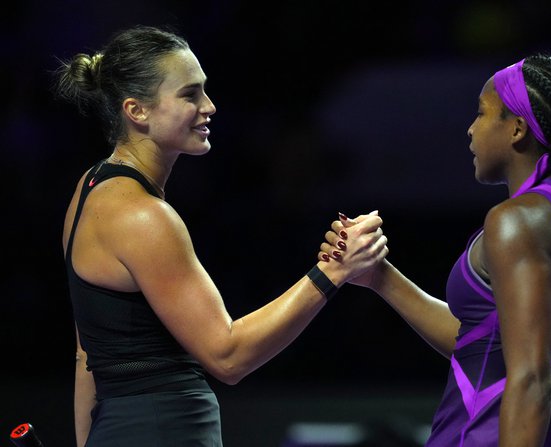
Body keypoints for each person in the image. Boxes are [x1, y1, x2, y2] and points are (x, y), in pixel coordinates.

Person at [54, 25, 389, 447]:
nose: (209, 106)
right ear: (137, 111)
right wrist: (333, 271)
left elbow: (89, 356)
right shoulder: (143, 216)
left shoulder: (91, 188)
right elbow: (228, 357)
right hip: (163, 431)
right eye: (190, 95)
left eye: (205, 91)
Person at [320, 54, 551, 446]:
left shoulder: (514, 222)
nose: (470, 130)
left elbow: (531, 381)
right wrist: (379, 276)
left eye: (481, 113)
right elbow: (484, 341)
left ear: (517, 129)